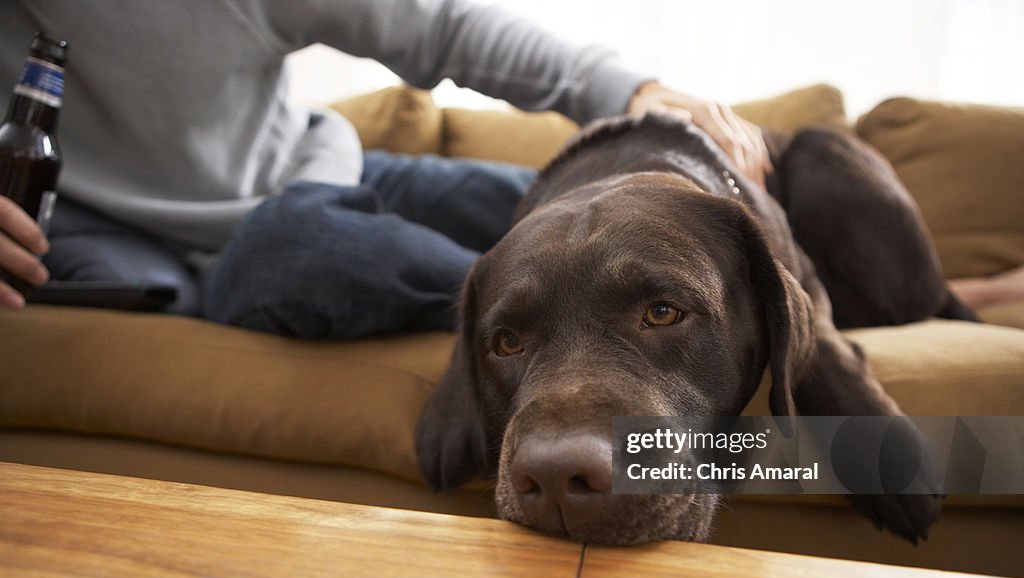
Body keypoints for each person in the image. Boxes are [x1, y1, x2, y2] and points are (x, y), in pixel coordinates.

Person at [0, 0, 773, 334]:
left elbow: (442, 25)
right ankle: (574, 319)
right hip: (165, 248)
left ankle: (767, 284)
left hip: (319, 170)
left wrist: (631, 90)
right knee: (291, 249)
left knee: (574, 214)